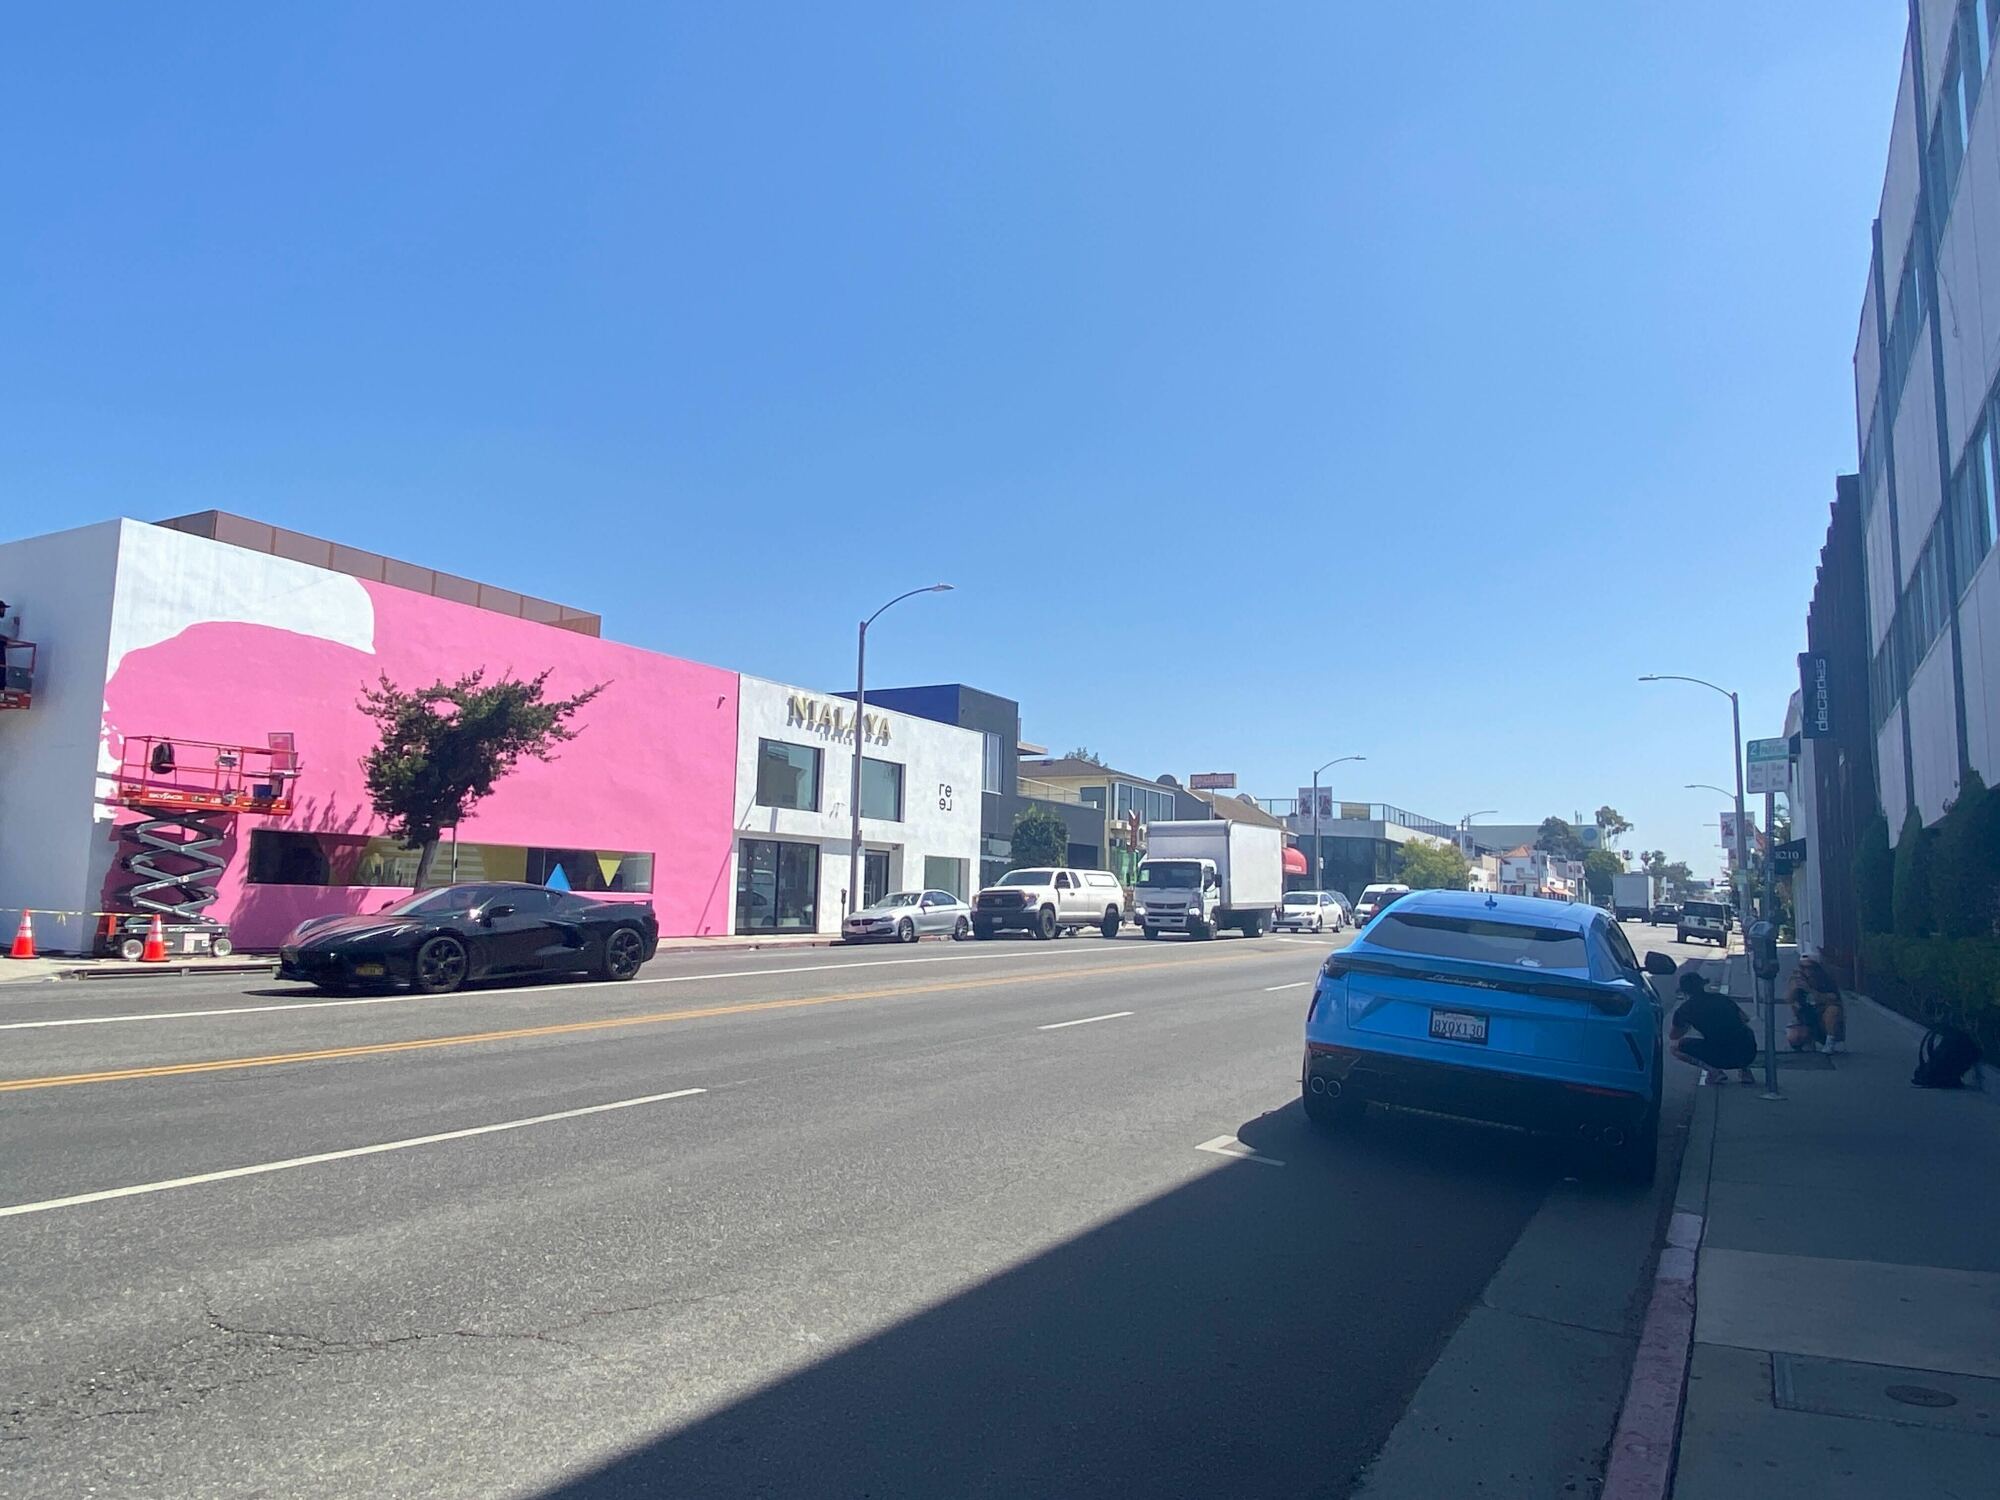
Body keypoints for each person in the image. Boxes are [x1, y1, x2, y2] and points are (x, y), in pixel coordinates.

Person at [1669, 971, 1758, 1085]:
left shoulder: (1685, 1010)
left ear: (1684, 992)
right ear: (1702, 985)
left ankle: (1714, 1072)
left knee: (1675, 1047)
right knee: (1741, 1033)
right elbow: (1745, 1018)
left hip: (1719, 1055)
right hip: (1748, 1052)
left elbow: (1674, 1035)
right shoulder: (1721, 999)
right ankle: (1745, 1071)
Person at [1791, 955, 1846, 1054]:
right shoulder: (1798, 978)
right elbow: (1789, 999)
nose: (1806, 970)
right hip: (1806, 1014)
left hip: (1823, 1014)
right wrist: (1793, 988)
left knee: (1833, 1011)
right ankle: (1808, 1040)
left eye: (1809, 967)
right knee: (1794, 1037)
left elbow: (1833, 997)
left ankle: (1830, 1041)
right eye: (1802, 967)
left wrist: (1810, 990)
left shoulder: (1826, 979)